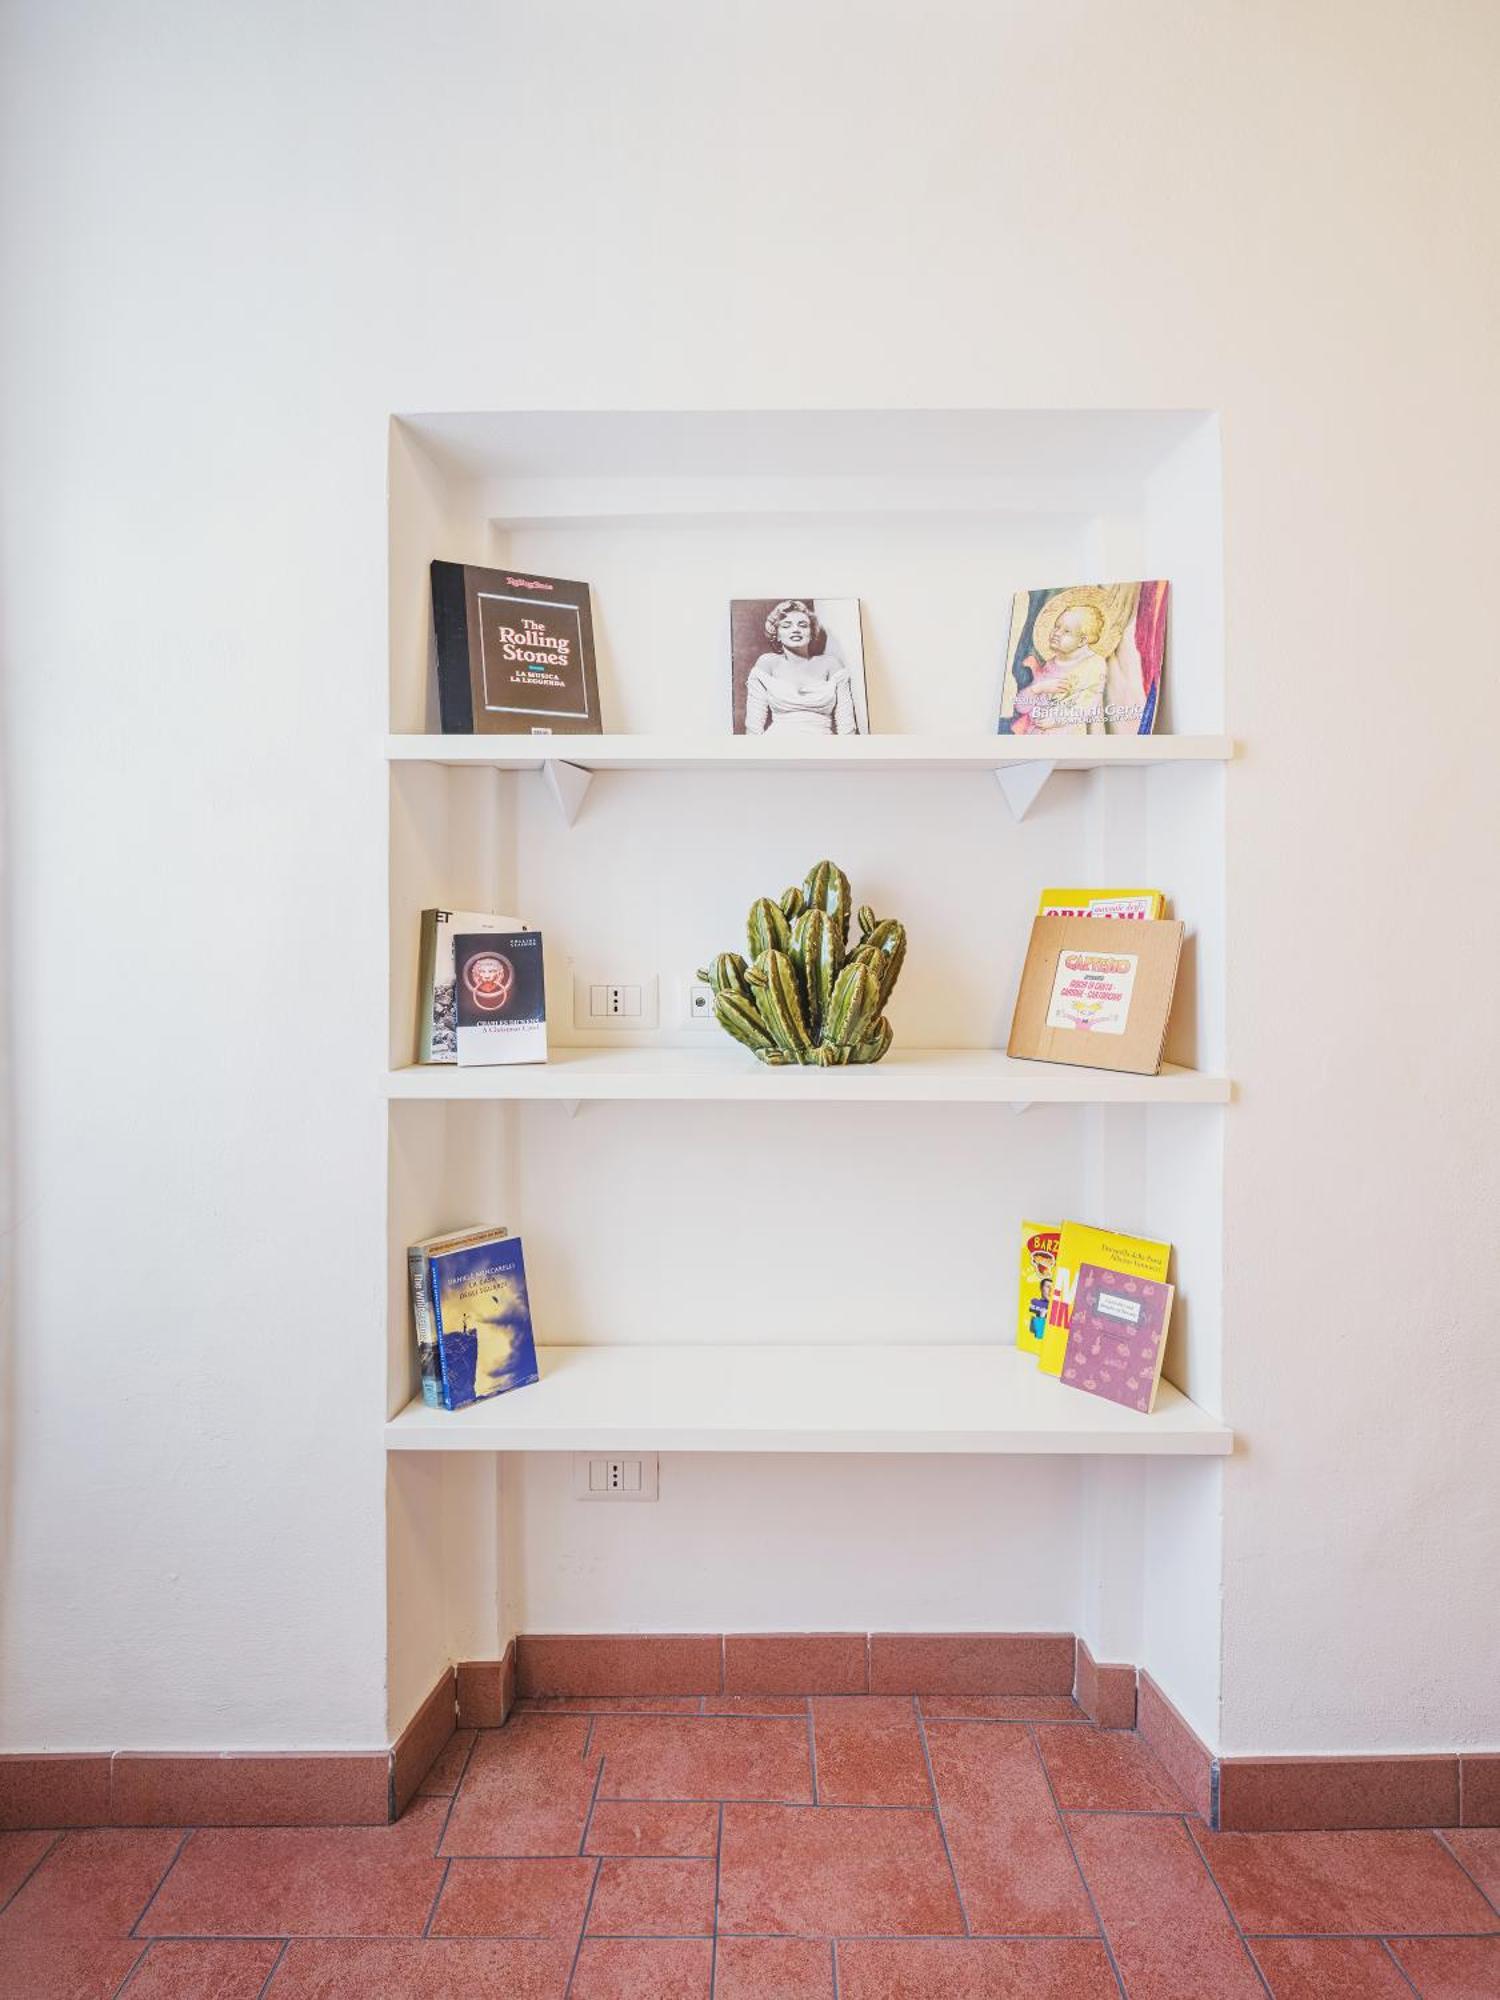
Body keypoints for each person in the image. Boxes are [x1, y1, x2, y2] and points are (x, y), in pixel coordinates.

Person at [743, 599, 859, 735]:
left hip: (824, 747)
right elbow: (753, 726)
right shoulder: (767, 663)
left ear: (811, 633)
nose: (796, 630)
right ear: (777, 635)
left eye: (803, 625)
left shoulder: (831, 664)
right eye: (786, 626)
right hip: (776, 745)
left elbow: (847, 725)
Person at [1010, 602, 1109, 736]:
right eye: (1056, 627)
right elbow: (1022, 707)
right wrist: (1039, 688)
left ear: (1082, 640)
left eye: (1066, 631)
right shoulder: (1050, 664)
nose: (1056, 633)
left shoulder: (1094, 664)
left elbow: (1088, 704)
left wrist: (1056, 719)